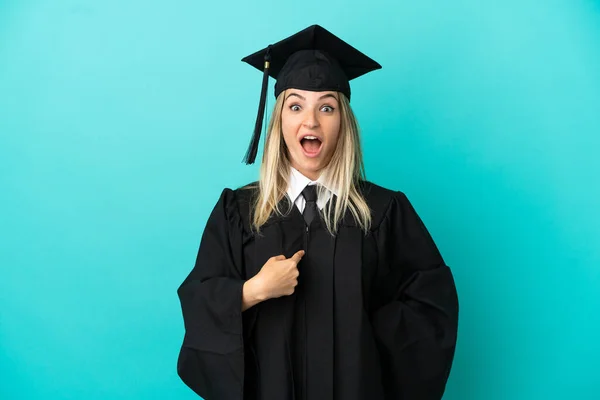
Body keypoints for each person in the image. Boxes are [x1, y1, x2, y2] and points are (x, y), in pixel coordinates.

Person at [176, 24, 459, 400]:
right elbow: (199, 298)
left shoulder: (384, 212)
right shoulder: (239, 212)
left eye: (326, 107)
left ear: (343, 123)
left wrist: (362, 328)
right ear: (279, 121)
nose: (310, 122)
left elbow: (430, 305)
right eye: (296, 106)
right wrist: (252, 291)